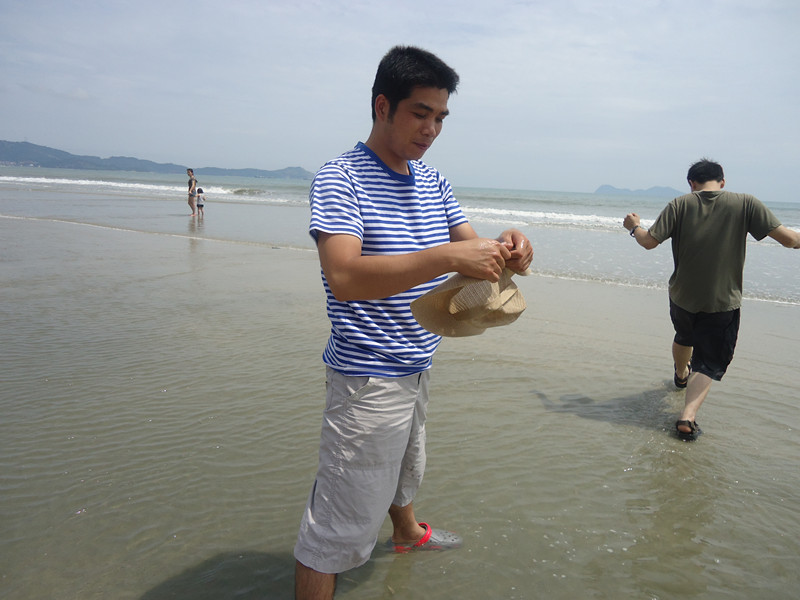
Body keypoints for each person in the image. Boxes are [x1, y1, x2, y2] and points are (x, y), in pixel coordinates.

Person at [294, 45, 533, 599]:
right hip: (366, 377)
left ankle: (405, 532)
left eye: (441, 117)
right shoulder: (341, 178)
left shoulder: (432, 181)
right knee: (334, 530)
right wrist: (446, 256)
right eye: (420, 113)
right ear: (383, 106)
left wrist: (511, 247)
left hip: (417, 360)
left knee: (406, 463)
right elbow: (345, 276)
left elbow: (473, 251)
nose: (432, 129)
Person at [623, 158, 800, 441]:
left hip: (682, 295)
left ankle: (681, 374)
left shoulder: (679, 204)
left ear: (691, 184)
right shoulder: (746, 203)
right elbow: (789, 240)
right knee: (708, 362)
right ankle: (687, 417)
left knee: (684, 335)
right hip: (721, 300)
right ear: (723, 181)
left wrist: (634, 227)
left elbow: (648, 241)